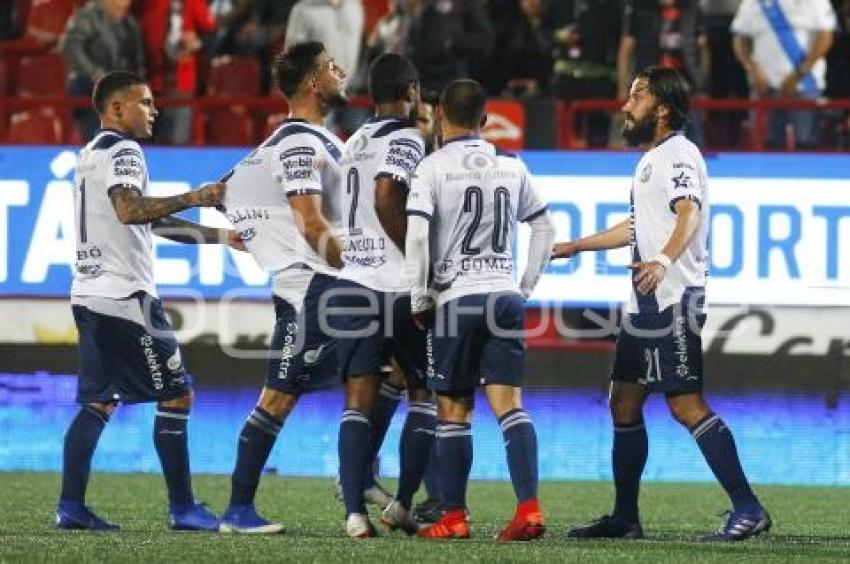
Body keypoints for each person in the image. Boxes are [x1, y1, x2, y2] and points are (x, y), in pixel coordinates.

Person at [555, 66, 771, 541]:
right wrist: (575, 246)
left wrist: (663, 260)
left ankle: (749, 508)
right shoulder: (652, 159)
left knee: (685, 403)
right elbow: (636, 226)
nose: (624, 105)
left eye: (636, 96)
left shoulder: (678, 154)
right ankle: (626, 518)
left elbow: (687, 213)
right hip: (645, 304)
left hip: (673, 299)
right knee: (624, 401)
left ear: (663, 108)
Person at [58, 70, 239, 531]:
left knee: (98, 402)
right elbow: (130, 210)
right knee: (178, 395)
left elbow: (147, 222)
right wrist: (197, 196)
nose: (155, 110)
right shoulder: (124, 150)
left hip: (89, 294)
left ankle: (71, 507)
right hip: (124, 297)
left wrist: (221, 236)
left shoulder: (90, 154)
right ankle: (182, 508)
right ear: (116, 108)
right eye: (145, 102)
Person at [405, 79, 555, 541]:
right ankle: (528, 508)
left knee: (453, 409)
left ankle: (453, 517)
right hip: (504, 295)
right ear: (486, 121)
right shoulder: (512, 165)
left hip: (456, 299)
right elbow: (544, 228)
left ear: (441, 115)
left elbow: (415, 236)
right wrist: (523, 286)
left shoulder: (430, 168)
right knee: (510, 406)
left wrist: (419, 295)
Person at [216, 41, 347, 534]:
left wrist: (259, 227)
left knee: (382, 375)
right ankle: (238, 509)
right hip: (310, 288)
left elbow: (225, 192)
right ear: (313, 83)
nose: (342, 72)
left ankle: (361, 482)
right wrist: (356, 266)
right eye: (332, 68)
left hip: (326, 284)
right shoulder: (297, 143)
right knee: (278, 397)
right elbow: (311, 223)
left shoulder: (297, 141)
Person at [331, 52, 432, 538]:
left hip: (352, 281)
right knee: (425, 391)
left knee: (358, 397)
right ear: (411, 91)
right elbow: (387, 195)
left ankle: (354, 512)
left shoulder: (354, 141)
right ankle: (404, 504)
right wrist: (419, 268)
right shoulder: (407, 136)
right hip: (394, 284)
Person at [731, 0, 837, 149]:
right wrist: (753, 71)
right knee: (767, 147)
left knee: (807, 146)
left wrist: (799, 74)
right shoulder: (753, 2)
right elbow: (739, 40)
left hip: (805, 87)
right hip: (764, 88)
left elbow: (825, 38)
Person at [615, 0, 710, 146]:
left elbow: (702, 49)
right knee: (641, 143)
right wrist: (622, 89)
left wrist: (703, 86)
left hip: (686, 89)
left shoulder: (691, 8)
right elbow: (626, 49)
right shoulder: (639, 7)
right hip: (649, 89)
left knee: (692, 145)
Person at [59, 0, 146, 142]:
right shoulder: (88, 17)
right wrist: (95, 73)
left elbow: (138, 63)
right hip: (89, 87)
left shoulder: (131, 24)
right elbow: (70, 46)